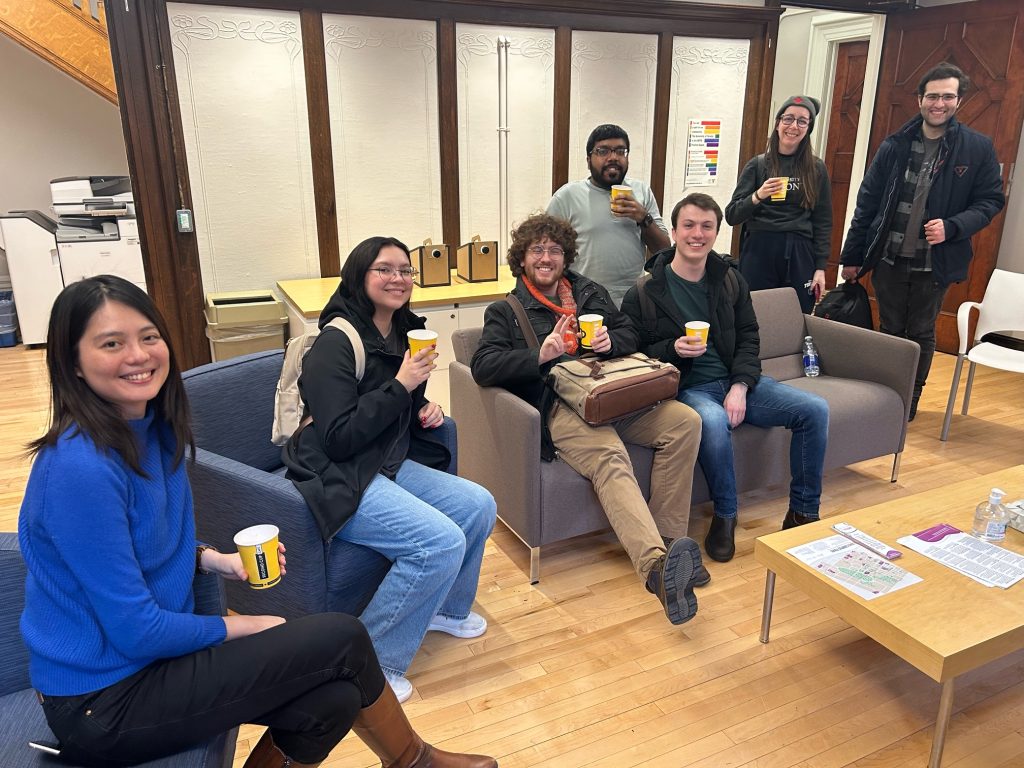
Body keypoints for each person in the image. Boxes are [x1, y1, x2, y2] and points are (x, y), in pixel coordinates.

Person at [18, 275, 496, 768]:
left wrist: (213, 559)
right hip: (103, 699)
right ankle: (415, 761)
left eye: (148, 337)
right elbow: (135, 630)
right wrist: (240, 626)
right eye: (111, 344)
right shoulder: (80, 469)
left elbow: (143, 542)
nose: (137, 355)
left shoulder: (153, 432)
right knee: (342, 638)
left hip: (150, 663)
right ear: (72, 363)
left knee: (333, 700)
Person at [284, 236, 497, 704]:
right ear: (360, 276)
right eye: (384, 269)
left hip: (384, 461)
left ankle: (445, 608)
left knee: (479, 504)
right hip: (335, 472)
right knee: (439, 543)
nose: (398, 278)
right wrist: (401, 385)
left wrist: (424, 406)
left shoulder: (403, 331)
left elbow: (398, 404)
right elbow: (338, 436)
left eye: (405, 270)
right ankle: (372, 663)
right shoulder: (335, 344)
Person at [470, 213, 708, 625]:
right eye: (537, 250)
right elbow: (483, 366)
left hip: (614, 395)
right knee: (609, 454)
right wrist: (539, 355)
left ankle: (671, 546)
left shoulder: (588, 292)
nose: (546, 258)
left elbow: (631, 333)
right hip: (560, 406)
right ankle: (655, 570)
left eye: (555, 250)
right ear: (522, 258)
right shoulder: (505, 311)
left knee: (685, 422)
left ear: (566, 257)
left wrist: (610, 340)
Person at [622, 193, 830, 562]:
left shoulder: (730, 279)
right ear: (673, 232)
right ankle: (726, 514)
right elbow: (634, 353)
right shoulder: (644, 290)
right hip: (687, 389)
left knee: (814, 410)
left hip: (736, 381)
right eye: (688, 225)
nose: (697, 234)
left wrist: (739, 386)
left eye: (706, 226)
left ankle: (803, 513)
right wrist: (673, 349)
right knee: (713, 421)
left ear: (717, 232)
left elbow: (750, 337)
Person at [839, 62, 1005, 421]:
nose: (939, 103)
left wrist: (954, 226)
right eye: (933, 96)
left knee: (921, 331)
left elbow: (991, 201)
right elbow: (867, 202)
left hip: (936, 261)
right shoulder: (894, 145)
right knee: (890, 330)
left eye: (948, 96)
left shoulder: (976, 148)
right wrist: (851, 256)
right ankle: (887, 395)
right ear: (920, 99)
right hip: (888, 256)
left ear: (959, 101)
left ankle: (908, 401)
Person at [725, 95, 832, 314]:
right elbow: (732, 215)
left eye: (802, 121)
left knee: (797, 315)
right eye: (788, 118)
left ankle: (791, 350)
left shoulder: (816, 168)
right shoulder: (758, 165)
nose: (794, 126)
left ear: (808, 128)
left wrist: (820, 267)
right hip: (760, 248)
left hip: (800, 252)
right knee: (754, 314)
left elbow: (823, 221)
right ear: (777, 123)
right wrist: (758, 195)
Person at [547, 123, 671, 306]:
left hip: (634, 300)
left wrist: (643, 218)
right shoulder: (567, 197)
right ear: (589, 159)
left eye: (621, 151)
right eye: (603, 151)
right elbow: (546, 252)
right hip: (584, 300)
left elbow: (664, 250)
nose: (613, 157)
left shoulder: (641, 191)